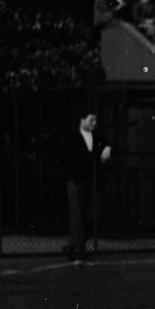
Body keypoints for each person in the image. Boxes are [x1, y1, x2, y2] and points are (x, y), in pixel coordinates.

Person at [62, 111, 112, 259]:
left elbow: (110, 143)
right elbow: (64, 158)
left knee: (94, 213)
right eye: (91, 120)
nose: (94, 123)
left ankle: (73, 244)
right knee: (77, 215)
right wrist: (70, 176)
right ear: (82, 120)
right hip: (76, 180)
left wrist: (108, 147)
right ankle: (79, 249)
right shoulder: (71, 137)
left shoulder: (97, 137)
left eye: (95, 120)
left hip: (91, 180)